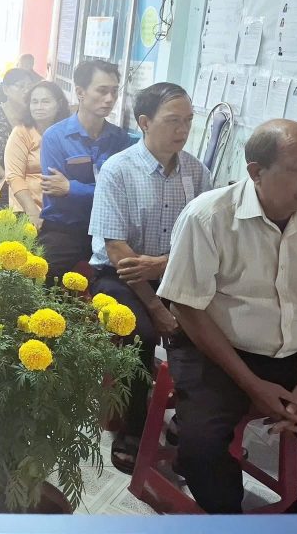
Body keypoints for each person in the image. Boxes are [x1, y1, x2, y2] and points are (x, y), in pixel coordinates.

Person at [158, 120, 297, 529]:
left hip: (292, 358)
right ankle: (230, 522)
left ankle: (291, 526)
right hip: (215, 352)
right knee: (201, 451)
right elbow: (187, 308)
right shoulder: (209, 216)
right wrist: (251, 384)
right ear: (256, 172)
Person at [88, 82, 210, 474]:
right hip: (119, 276)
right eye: (173, 120)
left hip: (173, 272)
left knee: (214, 325)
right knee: (137, 331)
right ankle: (133, 428)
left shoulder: (196, 172)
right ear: (144, 122)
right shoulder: (118, 170)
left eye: (188, 120)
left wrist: (161, 266)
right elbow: (117, 251)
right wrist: (157, 308)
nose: (183, 130)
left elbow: (207, 242)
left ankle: (190, 422)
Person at [39, 60, 131, 279]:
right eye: (102, 90)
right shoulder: (55, 137)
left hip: (109, 232)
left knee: (124, 282)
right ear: (80, 92)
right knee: (41, 279)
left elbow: (124, 196)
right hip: (64, 230)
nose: (110, 99)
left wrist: (71, 188)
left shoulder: (121, 139)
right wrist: (102, 193)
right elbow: (56, 196)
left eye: (114, 91)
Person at [5, 80, 70, 228]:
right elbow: (14, 176)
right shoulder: (21, 132)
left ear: (59, 104)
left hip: (61, 207)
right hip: (25, 208)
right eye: (34, 102)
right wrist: (33, 213)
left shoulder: (67, 132)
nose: (39, 107)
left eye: (45, 102)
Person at [0, 68, 36, 203]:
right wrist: (10, 178)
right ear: (6, 89)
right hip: (1, 175)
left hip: (30, 175)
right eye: (21, 86)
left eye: (29, 86)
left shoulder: (35, 115)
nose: (26, 91)